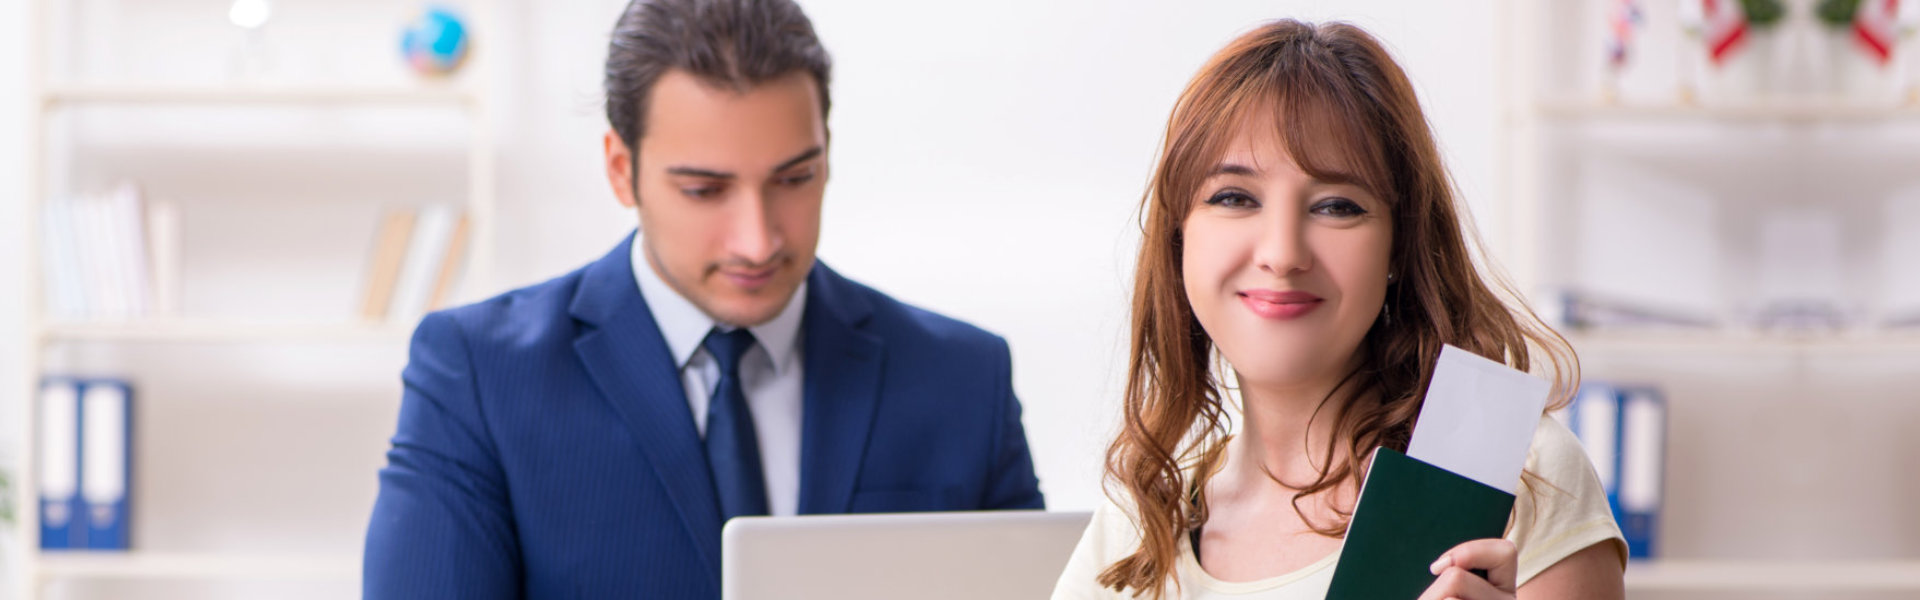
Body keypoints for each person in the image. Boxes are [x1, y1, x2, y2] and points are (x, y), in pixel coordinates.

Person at [363, 0, 1044, 597]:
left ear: (827, 153)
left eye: (794, 178)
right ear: (620, 169)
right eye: (704, 189)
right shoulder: (477, 375)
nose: (757, 240)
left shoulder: (962, 379)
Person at [1051, 19, 1626, 600]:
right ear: (1179, 236)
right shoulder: (1145, 513)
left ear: (1399, 244)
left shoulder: (1519, 478)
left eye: (1336, 206)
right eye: (1234, 197)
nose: (1281, 254)